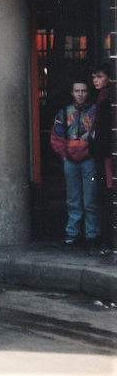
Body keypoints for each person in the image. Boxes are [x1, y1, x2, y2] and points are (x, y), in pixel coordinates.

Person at [50, 80, 100, 249]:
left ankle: (92, 234)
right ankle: (72, 233)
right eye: (77, 91)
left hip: (89, 161)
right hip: (70, 162)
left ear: (87, 92)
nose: (80, 94)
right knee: (73, 199)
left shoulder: (94, 112)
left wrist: (93, 154)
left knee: (90, 199)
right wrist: (64, 155)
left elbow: (100, 135)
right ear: (72, 93)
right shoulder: (64, 113)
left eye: (83, 91)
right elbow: (56, 137)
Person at [88, 64, 113, 253]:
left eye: (99, 76)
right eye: (94, 77)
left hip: (105, 159)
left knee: (105, 198)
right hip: (104, 156)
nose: (96, 80)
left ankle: (107, 241)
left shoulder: (105, 100)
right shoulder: (102, 98)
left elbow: (103, 133)